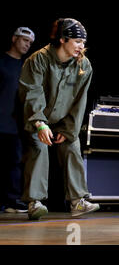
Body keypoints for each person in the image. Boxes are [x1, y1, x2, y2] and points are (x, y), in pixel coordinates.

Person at [18, 18, 99, 220]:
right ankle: (35, 202)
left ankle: (77, 201)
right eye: (77, 41)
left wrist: (68, 129)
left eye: (83, 42)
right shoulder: (38, 60)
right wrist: (39, 123)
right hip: (37, 117)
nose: (81, 46)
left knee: (72, 146)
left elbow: (80, 102)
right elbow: (32, 92)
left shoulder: (84, 65)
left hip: (63, 121)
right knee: (39, 146)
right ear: (63, 39)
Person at [0, 27, 35, 213]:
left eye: (30, 43)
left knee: (13, 164)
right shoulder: (2, 62)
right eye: (24, 40)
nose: (27, 45)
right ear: (14, 38)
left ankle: (12, 202)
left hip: (14, 126)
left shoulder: (25, 67)